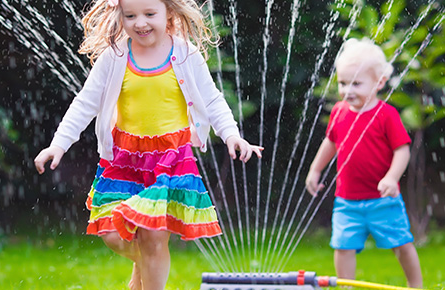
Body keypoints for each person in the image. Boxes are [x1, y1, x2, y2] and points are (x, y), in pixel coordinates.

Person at [32, 0, 263, 289]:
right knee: (111, 232)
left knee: (154, 236)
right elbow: (84, 104)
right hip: (123, 160)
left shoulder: (185, 54)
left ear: (169, 11)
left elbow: (213, 99)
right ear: (121, 16)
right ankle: (144, 264)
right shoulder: (115, 56)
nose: (140, 23)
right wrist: (58, 145)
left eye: (149, 14)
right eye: (131, 15)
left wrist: (231, 135)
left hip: (170, 160)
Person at [304, 38, 423, 288]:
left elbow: (402, 150)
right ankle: (347, 286)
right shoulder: (339, 111)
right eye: (343, 83)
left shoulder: (386, 115)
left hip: (383, 200)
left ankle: (416, 285)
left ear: (379, 83)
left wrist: (391, 178)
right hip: (347, 200)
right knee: (343, 247)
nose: (348, 90)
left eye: (356, 84)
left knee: (401, 244)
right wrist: (315, 170)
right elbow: (331, 143)